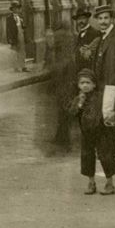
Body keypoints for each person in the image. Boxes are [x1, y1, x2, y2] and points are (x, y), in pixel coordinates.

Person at [89, 5, 115, 166]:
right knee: (109, 118)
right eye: (100, 18)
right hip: (104, 85)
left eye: (106, 18)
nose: (103, 21)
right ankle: (114, 150)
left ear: (112, 19)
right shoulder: (103, 38)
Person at [69, 67, 115, 195]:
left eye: (88, 83)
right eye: (82, 83)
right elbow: (72, 114)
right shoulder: (78, 99)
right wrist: (79, 104)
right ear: (78, 85)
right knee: (87, 156)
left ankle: (110, 182)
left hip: (101, 131)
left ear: (94, 84)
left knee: (105, 156)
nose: (85, 85)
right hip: (86, 132)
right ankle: (91, 182)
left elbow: (107, 110)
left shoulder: (101, 97)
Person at [48, 22, 78, 152]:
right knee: (64, 106)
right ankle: (61, 135)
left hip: (63, 74)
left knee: (63, 107)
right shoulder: (72, 35)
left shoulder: (58, 35)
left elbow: (52, 49)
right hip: (69, 73)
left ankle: (64, 138)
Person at [6, 0, 27, 71]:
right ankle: (16, 68)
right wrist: (9, 39)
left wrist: (24, 30)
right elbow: (8, 29)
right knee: (14, 52)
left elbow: (23, 26)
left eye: (18, 8)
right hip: (14, 36)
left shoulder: (20, 17)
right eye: (15, 8)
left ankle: (23, 67)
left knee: (22, 51)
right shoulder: (9, 18)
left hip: (21, 35)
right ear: (12, 9)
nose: (17, 9)